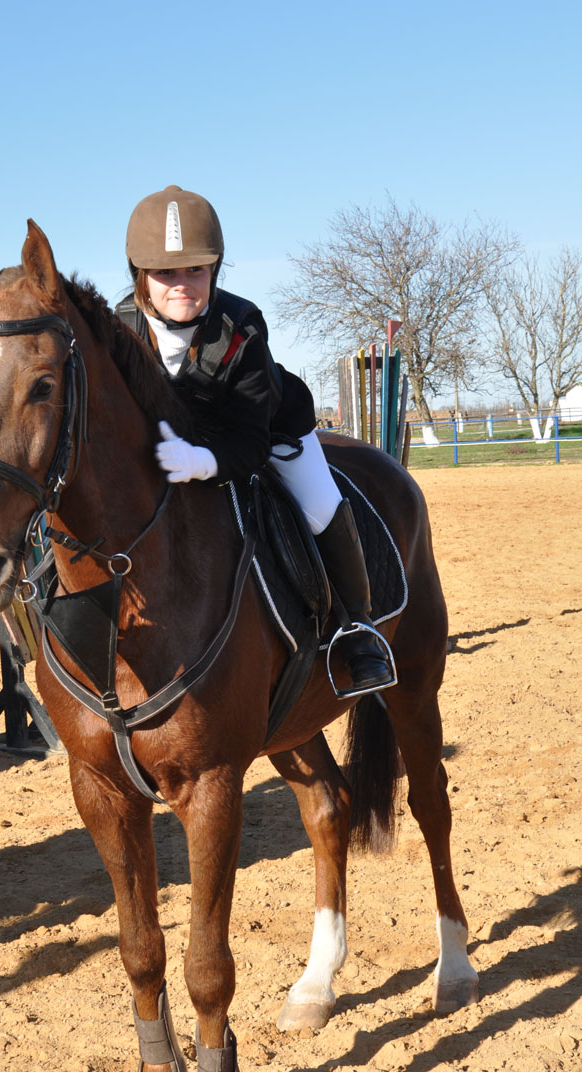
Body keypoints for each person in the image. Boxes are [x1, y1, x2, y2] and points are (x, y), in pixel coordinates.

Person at [116, 185, 394, 695]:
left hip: (267, 430)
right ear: (140, 275)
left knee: (318, 504)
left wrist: (202, 461)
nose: (182, 285)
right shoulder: (119, 331)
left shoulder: (239, 325)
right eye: (166, 273)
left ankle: (358, 628)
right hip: (177, 443)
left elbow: (250, 439)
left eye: (195, 271)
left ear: (215, 270)